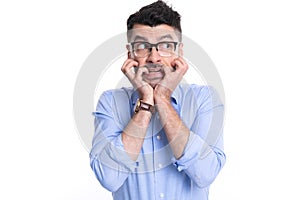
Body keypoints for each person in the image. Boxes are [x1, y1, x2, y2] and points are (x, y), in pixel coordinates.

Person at [90, 1, 226, 199]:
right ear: (130, 54)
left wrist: (162, 98)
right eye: (143, 46)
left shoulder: (205, 99)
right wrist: (146, 103)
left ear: (179, 52)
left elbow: (205, 173)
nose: (154, 58)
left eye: (165, 46)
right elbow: (109, 178)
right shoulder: (110, 102)